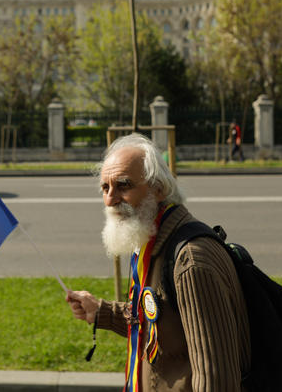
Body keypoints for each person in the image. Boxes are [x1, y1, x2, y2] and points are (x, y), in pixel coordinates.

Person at [66, 133, 250, 392]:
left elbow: (217, 378)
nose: (110, 199)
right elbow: (159, 322)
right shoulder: (152, 238)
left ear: (159, 188)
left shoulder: (191, 261)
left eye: (123, 185)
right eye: (105, 188)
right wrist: (102, 312)